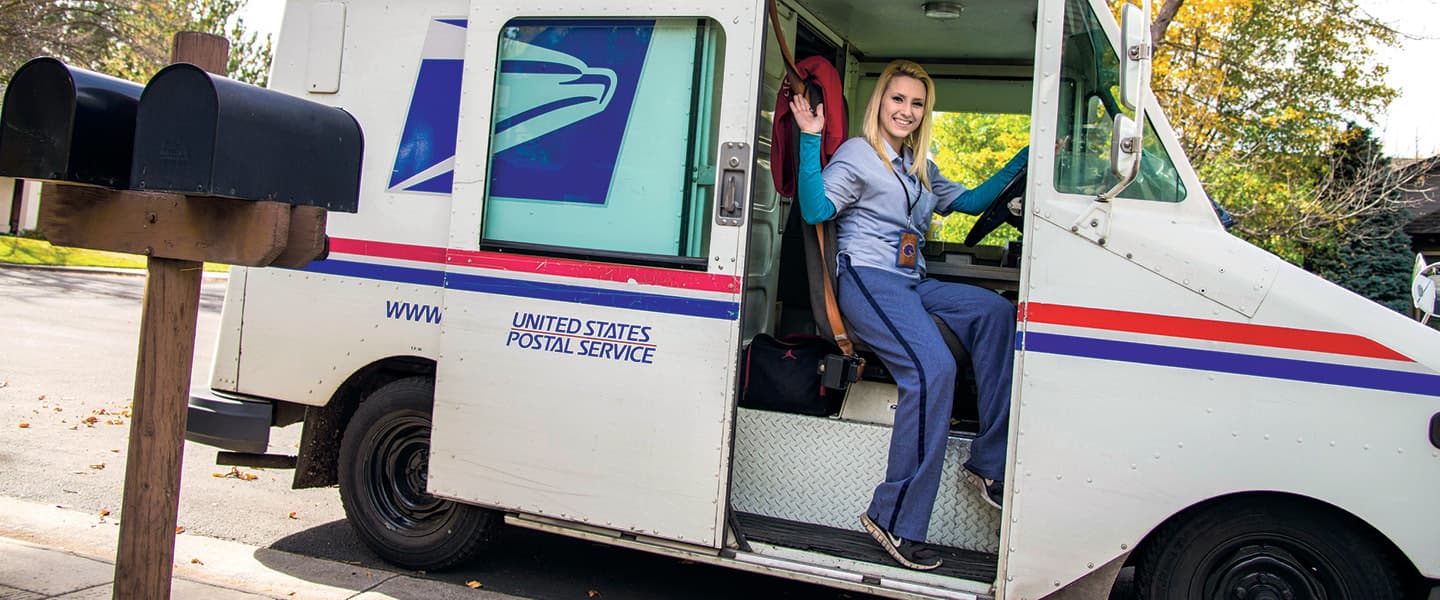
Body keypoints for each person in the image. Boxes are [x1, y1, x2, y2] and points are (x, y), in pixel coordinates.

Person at [789, 59, 1024, 571]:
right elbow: (815, 209)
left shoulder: (917, 166)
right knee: (931, 369)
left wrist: (1031, 159)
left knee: (997, 314)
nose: (907, 111)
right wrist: (811, 136)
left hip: (912, 282)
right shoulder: (858, 153)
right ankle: (893, 518)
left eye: (917, 103)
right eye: (898, 99)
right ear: (881, 102)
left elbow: (976, 200)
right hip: (867, 279)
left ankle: (987, 463)